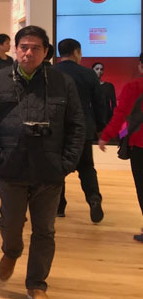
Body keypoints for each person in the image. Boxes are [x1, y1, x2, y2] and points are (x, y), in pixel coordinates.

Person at [0, 26, 85, 299]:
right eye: (24, 46)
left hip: (49, 169)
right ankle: (11, 250)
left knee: (45, 230)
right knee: (10, 222)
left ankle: (36, 285)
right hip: (11, 165)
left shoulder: (62, 83)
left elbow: (76, 125)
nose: (28, 52)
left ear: (46, 51)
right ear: (15, 48)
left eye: (35, 48)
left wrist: (67, 162)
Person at [54, 38, 105, 222]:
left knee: (58, 167)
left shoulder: (51, 72)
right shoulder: (89, 74)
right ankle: (93, 198)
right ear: (76, 52)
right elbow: (99, 103)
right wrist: (100, 127)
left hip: (57, 128)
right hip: (82, 128)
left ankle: (59, 206)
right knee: (86, 166)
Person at [98, 53, 143, 243]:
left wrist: (106, 136)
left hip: (140, 146)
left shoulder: (134, 87)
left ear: (141, 65)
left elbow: (121, 113)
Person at [92, 62, 117, 130]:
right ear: (92, 70)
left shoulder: (109, 86)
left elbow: (114, 103)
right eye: (97, 69)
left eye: (101, 69)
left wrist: (113, 118)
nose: (99, 71)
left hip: (106, 117)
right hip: (93, 118)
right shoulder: (89, 86)